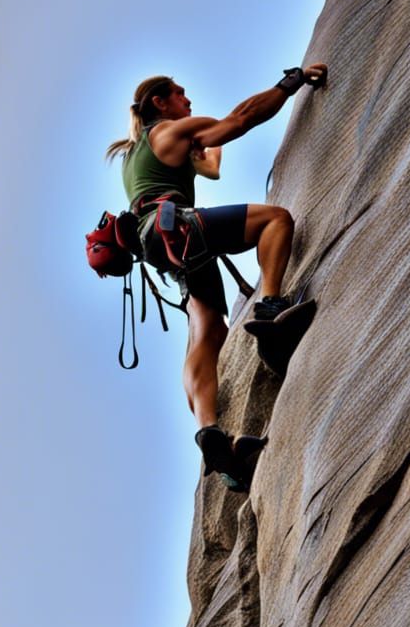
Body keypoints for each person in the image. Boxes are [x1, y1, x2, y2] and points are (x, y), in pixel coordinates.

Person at [105, 65, 328, 489]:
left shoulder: (136, 154)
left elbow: (211, 168)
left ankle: (210, 433)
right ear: (160, 102)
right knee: (275, 220)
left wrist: (206, 143)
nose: (188, 100)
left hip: (161, 245)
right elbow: (240, 119)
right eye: (180, 94)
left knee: (207, 330)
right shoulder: (168, 131)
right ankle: (271, 307)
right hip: (178, 227)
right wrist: (291, 82)